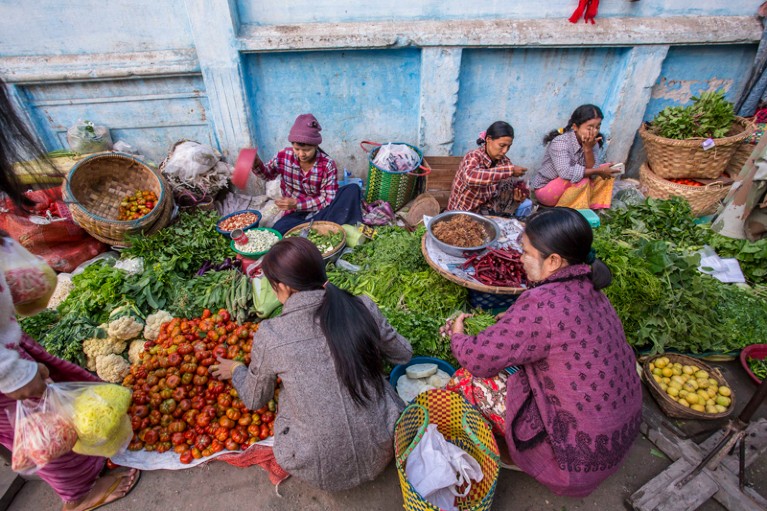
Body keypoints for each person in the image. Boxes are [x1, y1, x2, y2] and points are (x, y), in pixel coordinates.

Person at [0, 78, 139, 510]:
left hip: (11, 342)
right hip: (6, 362)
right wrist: (14, 375)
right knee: (41, 426)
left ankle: (92, 459)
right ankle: (78, 493)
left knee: (64, 395)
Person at [443, 207, 641, 497]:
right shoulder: (591, 287)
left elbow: (479, 359)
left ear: (554, 261)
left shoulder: (541, 304)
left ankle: (508, 449)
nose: (520, 259)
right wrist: (514, 319)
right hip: (619, 434)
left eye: (525, 252)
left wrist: (458, 337)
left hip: (576, 463)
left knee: (465, 379)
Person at [211, 237, 412, 491]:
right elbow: (404, 355)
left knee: (286, 395)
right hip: (385, 442)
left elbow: (254, 399)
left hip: (319, 467)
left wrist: (237, 369)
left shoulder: (272, 334)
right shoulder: (360, 306)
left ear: (282, 287)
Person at [251, 113, 362, 233]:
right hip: (296, 214)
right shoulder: (283, 156)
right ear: (292, 145)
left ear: (316, 146)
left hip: (321, 209)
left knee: (352, 189)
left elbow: (327, 200)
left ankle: (315, 228)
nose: (301, 154)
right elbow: (268, 175)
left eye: (307, 150)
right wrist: (257, 164)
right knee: (279, 230)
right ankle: (322, 227)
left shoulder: (327, 164)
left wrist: (297, 203)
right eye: (297, 149)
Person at [531, 104, 622, 210]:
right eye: (589, 128)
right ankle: (574, 211)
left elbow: (593, 172)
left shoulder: (593, 142)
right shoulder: (560, 142)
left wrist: (588, 149)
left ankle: (591, 205)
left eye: (597, 127)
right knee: (582, 179)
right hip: (547, 191)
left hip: (570, 187)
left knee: (609, 170)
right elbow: (566, 173)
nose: (594, 132)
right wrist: (598, 171)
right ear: (575, 127)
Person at [447, 121, 530, 215]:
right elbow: (470, 177)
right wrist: (509, 170)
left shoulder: (504, 163)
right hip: (461, 215)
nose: (505, 151)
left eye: (509, 146)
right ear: (488, 139)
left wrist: (515, 200)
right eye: (502, 145)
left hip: (485, 216)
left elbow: (502, 205)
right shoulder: (473, 157)